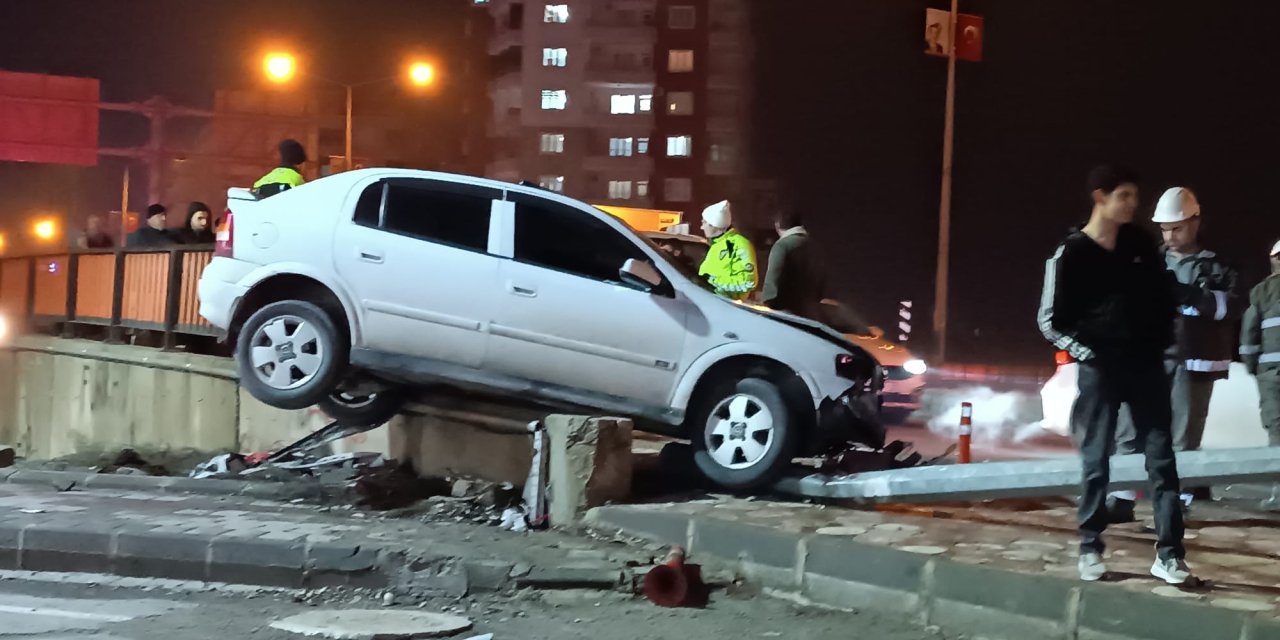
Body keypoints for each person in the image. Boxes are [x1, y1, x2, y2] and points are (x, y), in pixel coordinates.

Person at [1037, 164, 1191, 585]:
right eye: (1124, 196)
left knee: (1162, 462)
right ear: (1100, 197)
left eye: (1134, 198)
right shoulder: (1071, 253)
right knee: (1096, 462)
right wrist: (1092, 355)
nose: (1132, 206)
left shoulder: (1139, 244)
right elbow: (1050, 321)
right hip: (1101, 371)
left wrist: (1157, 345)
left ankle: (1170, 555)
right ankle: (1090, 547)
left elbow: (1162, 299)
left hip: (1145, 368)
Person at [1108, 187, 1241, 517]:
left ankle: (1174, 506)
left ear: (1195, 222)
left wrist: (1190, 295)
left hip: (1190, 363)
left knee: (1182, 437)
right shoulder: (1146, 262)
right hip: (1147, 358)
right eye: (1164, 229)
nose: (1169, 236)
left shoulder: (1217, 268)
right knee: (1130, 428)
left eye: (1176, 228)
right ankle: (1122, 499)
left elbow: (1233, 309)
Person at [1240, 240, 1280, 447]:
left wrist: (1253, 367)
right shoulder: (1261, 291)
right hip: (1270, 372)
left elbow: (1249, 334)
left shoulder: (1261, 292)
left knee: (1277, 426)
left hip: (1271, 374)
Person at [762, 209, 824, 319]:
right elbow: (821, 278)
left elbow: (773, 279)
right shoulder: (814, 246)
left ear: (778, 225)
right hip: (810, 310)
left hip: (785, 312)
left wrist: (768, 302)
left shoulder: (782, 245)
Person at [697, 200, 758, 300]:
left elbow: (748, 282)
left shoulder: (739, 244)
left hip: (726, 307)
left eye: (704, 223)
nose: (701, 227)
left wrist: (712, 282)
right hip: (712, 303)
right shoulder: (716, 245)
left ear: (714, 224)